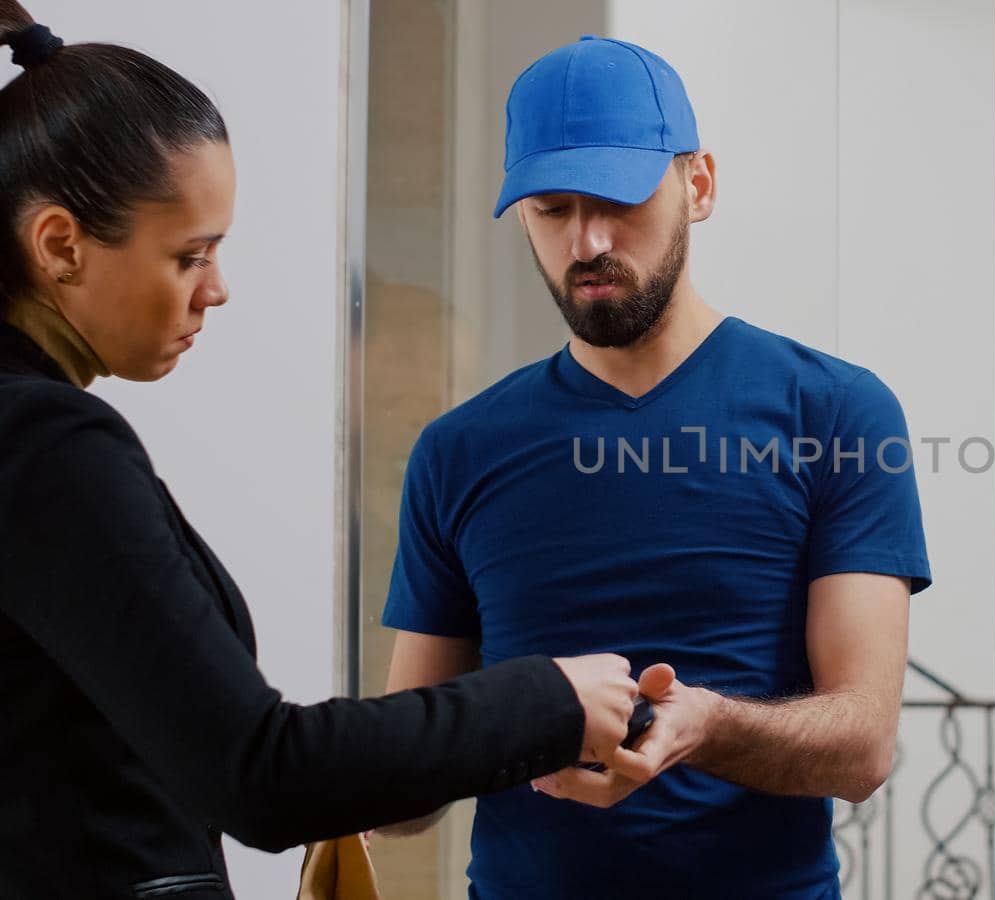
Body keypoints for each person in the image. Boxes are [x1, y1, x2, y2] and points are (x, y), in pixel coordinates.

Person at [0, 7, 641, 898]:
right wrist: (550, 702)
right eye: (191, 255)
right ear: (61, 244)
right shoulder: (42, 446)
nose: (217, 290)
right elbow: (264, 774)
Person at [379, 36, 932, 898]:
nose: (587, 241)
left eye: (618, 199)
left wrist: (703, 725)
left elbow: (862, 746)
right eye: (551, 209)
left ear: (698, 185)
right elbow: (401, 799)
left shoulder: (835, 414)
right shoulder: (460, 449)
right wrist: (516, 720)